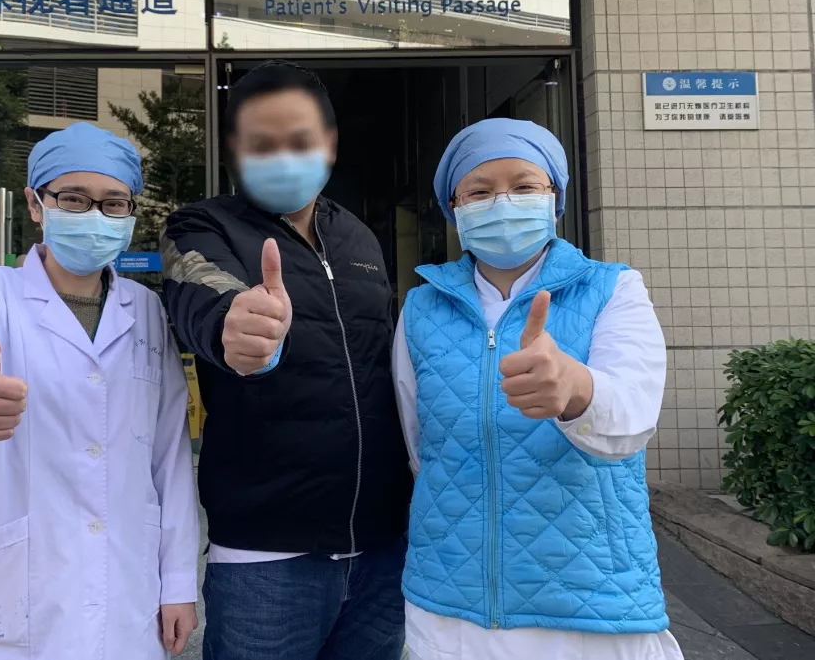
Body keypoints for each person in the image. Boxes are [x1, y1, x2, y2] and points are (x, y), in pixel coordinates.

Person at [0, 122, 200, 660]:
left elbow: (169, 455)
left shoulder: (147, 310)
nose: (95, 216)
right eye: (74, 199)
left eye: (114, 203)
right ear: (36, 205)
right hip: (8, 588)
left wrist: (177, 581)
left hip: (126, 585)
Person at [393, 118, 682, 660]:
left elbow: (633, 420)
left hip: (591, 597)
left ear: (555, 199)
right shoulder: (422, 306)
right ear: (454, 208)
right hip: (450, 597)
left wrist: (576, 390)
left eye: (524, 186)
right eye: (479, 192)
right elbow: (418, 443)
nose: (502, 203)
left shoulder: (612, 288)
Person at [161, 61, 413, 660]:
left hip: (381, 547)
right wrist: (237, 330)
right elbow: (204, 300)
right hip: (265, 558)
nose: (283, 157)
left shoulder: (358, 237)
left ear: (330, 144)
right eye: (262, 144)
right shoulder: (200, 227)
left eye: (299, 141)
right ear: (235, 150)